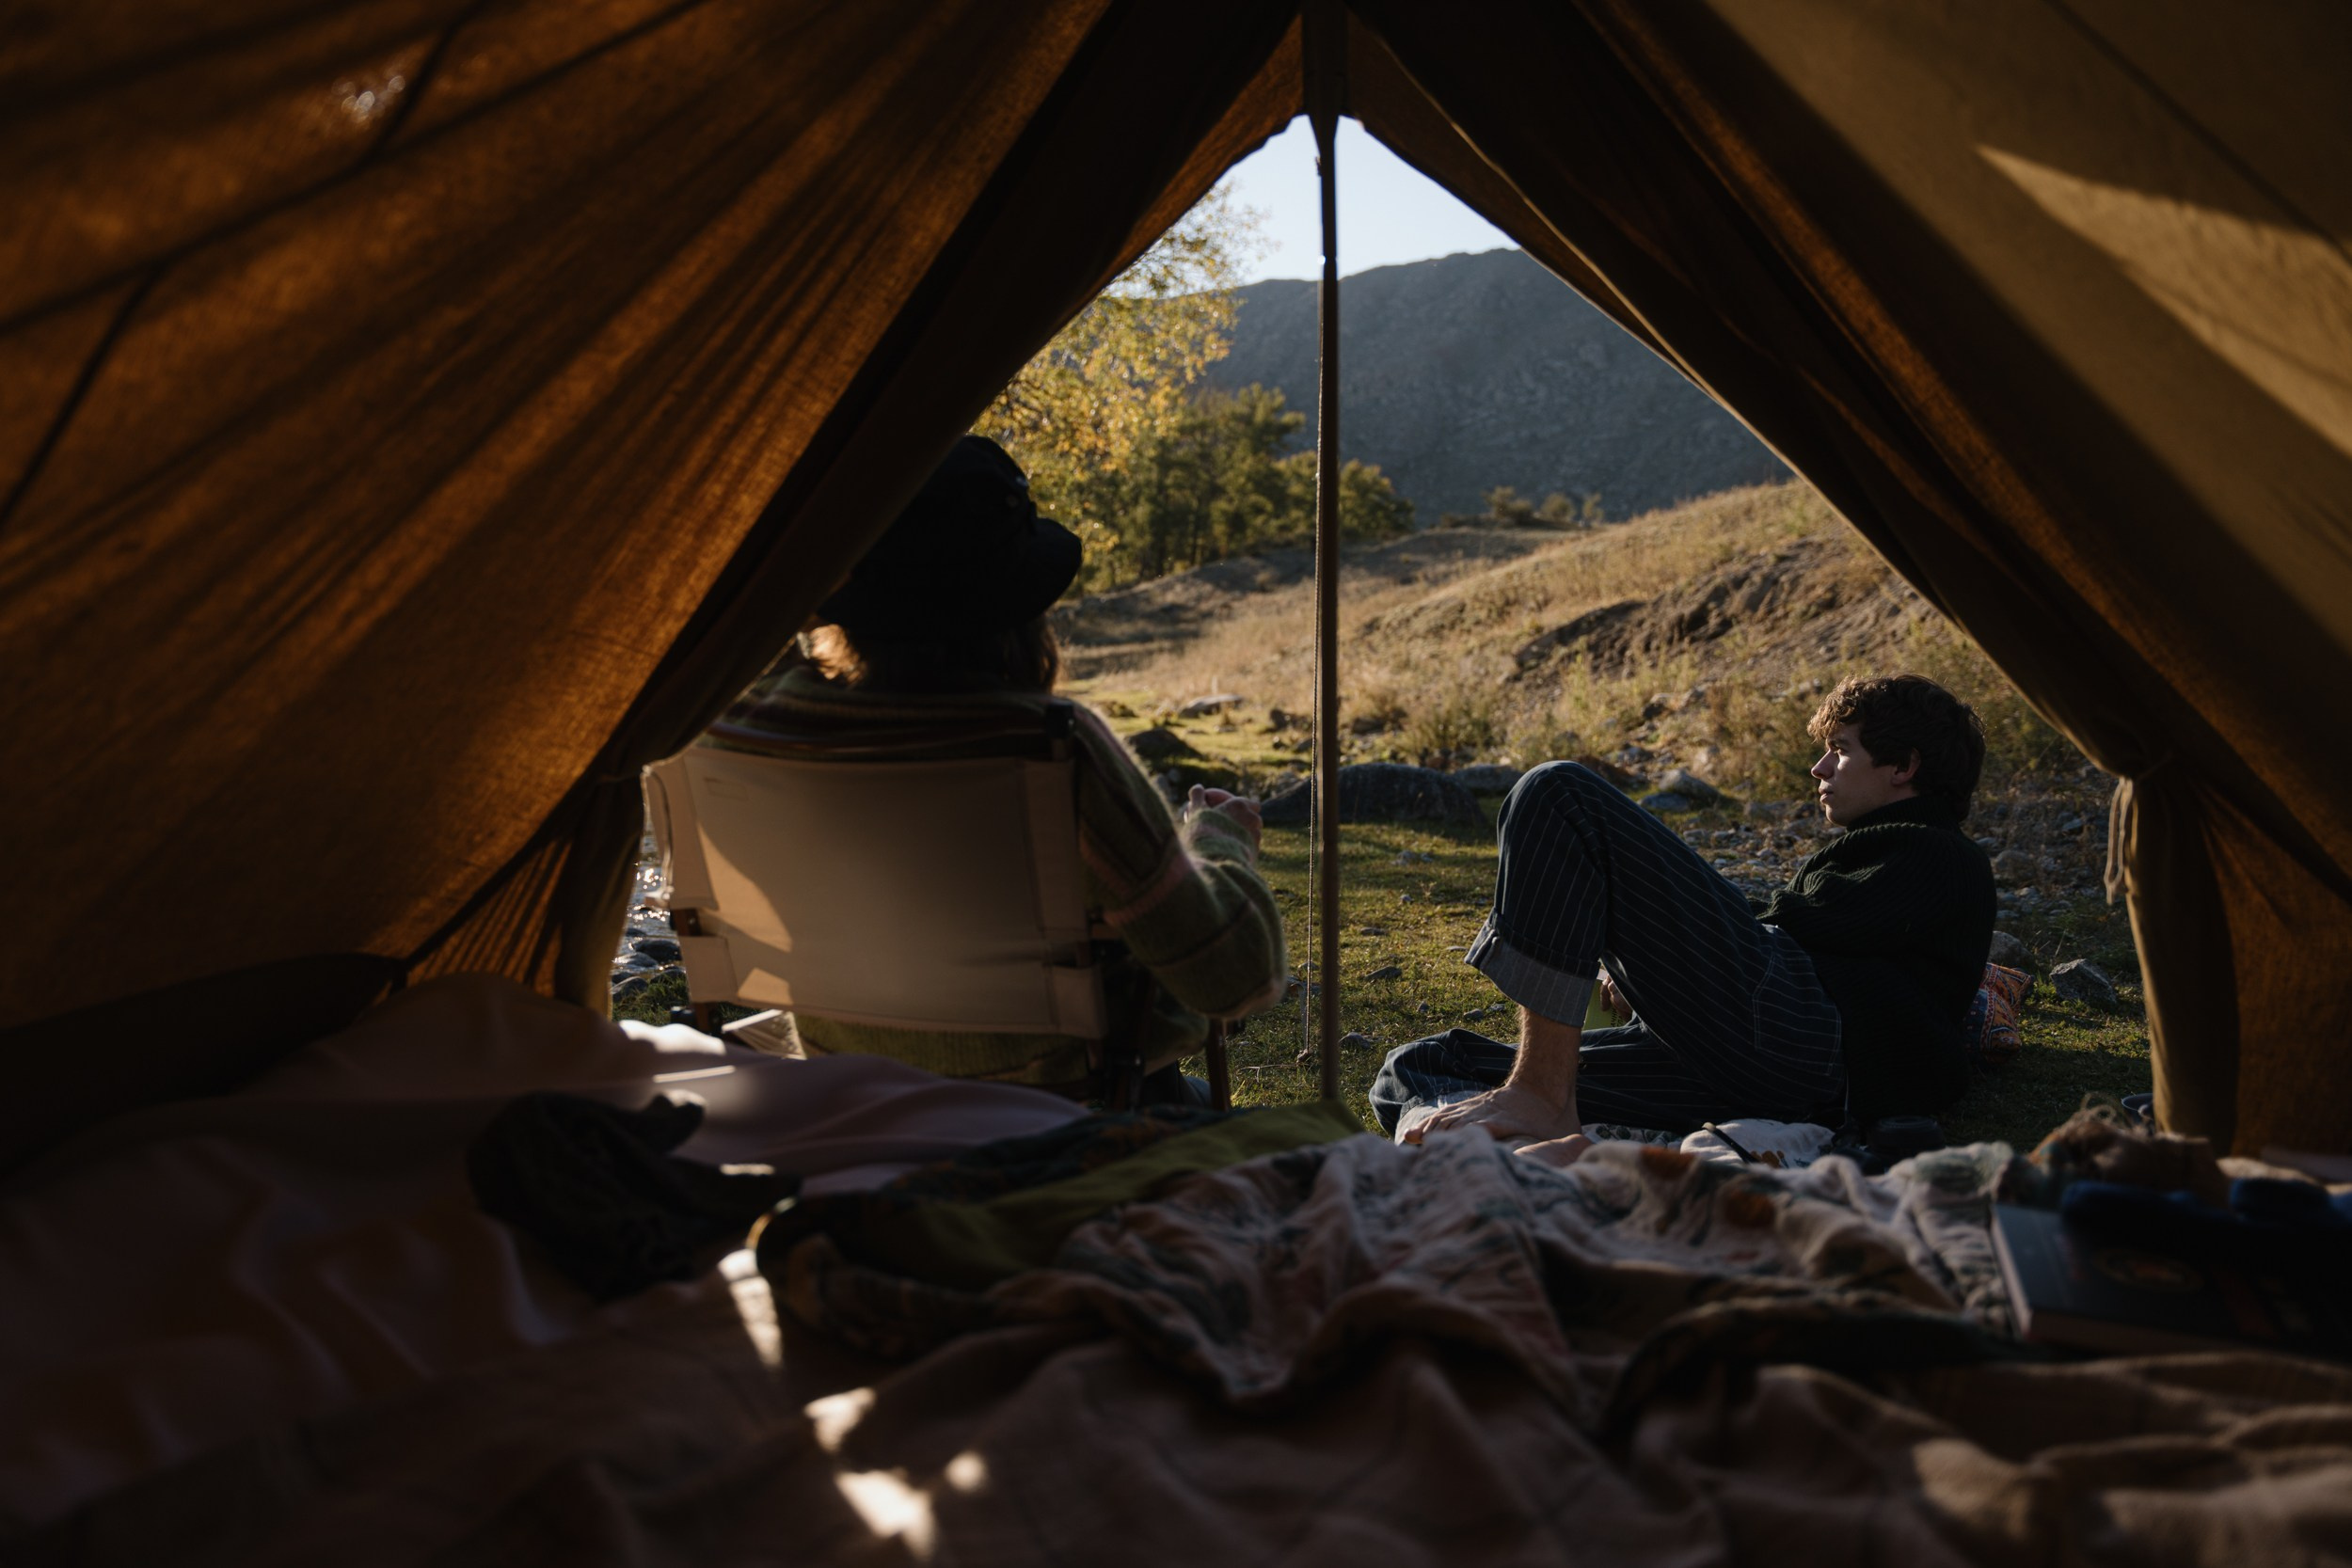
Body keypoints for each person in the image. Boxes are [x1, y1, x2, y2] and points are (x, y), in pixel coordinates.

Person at [708, 435, 1285, 1105]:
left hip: (860, 1096)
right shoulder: (1056, 750)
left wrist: (833, 586)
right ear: (1020, 612)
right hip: (1071, 1115)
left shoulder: (744, 729)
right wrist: (1221, 838)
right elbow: (1234, 979)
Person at [1371, 673, 1996, 1164]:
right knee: (1422, 1062)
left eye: (1841, 750)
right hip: (1744, 1069)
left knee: (1557, 792)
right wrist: (1648, 970)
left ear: (1903, 766)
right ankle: (1490, 1149)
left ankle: (1540, 1093)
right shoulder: (1880, 856)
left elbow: (1809, 927)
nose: (1820, 768)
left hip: (1808, 1044)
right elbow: (1814, 926)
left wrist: (1640, 949)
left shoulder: (1943, 854)